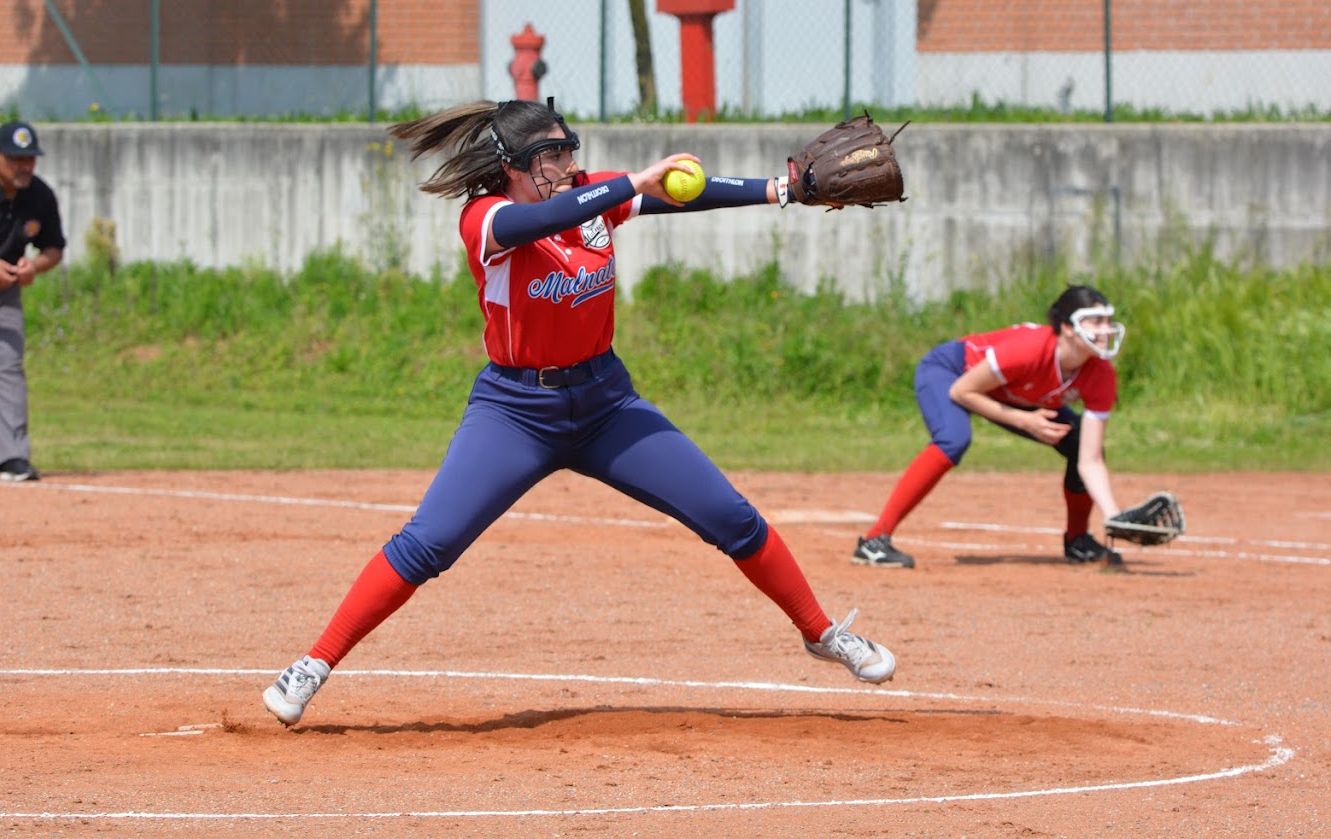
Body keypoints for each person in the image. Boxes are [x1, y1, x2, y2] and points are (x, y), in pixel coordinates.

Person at [262, 98, 896, 726]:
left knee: (730, 516)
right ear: (513, 165)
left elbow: (678, 196)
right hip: (515, 412)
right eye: (551, 154)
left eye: (569, 150)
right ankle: (314, 663)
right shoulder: (485, 218)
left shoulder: (590, 195)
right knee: (427, 544)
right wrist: (630, 183)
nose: (567, 163)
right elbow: (545, 219)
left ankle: (821, 633)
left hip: (605, 404)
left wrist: (778, 189)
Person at [853, 284, 1129, 569]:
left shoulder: (1101, 374)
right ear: (1067, 327)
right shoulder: (1030, 349)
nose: (1105, 330)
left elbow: (1091, 459)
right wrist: (1024, 420)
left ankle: (1078, 541)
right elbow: (962, 392)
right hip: (953, 373)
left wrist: (1114, 518)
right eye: (1095, 321)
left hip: (1007, 391)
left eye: (1108, 321)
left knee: (1077, 440)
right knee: (953, 438)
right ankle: (874, 541)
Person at [0, 120, 65, 482]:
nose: (24, 166)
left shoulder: (39, 195)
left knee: (7, 370)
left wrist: (33, 267)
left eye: (30, 158)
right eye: (15, 158)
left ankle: (12, 458)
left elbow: (54, 248)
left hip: (2, 295)